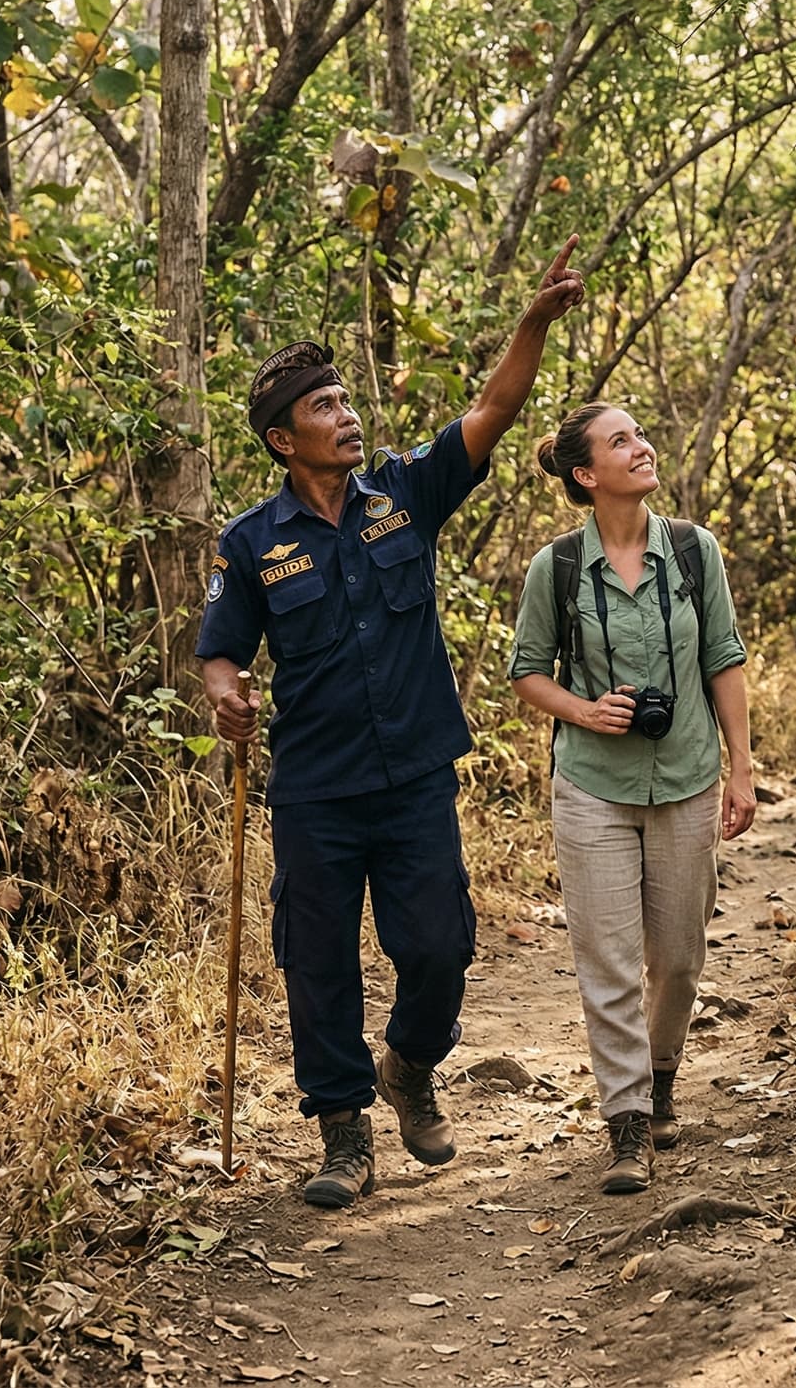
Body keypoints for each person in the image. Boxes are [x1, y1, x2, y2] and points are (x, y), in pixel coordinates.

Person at [198, 239, 585, 1209]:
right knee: (316, 962)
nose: (347, 414)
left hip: (414, 772)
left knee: (436, 944)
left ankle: (409, 1064)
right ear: (283, 439)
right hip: (315, 788)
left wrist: (531, 323)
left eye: (344, 399)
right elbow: (219, 645)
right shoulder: (252, 542)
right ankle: (342, 1135)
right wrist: (224, 687)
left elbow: (494, 410)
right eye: (323, 407)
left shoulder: (405, 493)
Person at [508, 403, 757, 1195]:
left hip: (687, 775)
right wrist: (586, 710)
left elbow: (723, 657)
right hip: (592, 783)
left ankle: (659, 1076)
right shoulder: (555, 568)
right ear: (587, 474)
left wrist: (742, 768)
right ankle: (626, 1124)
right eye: (622, 440)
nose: (642, 446)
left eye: (640, 434)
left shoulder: (693, 551)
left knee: (677, 958)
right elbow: (527, 672)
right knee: (607, 960)